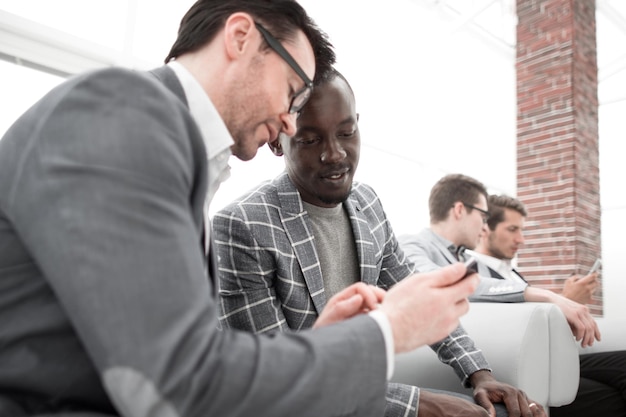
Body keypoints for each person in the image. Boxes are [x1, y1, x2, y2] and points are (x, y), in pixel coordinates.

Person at [0, 1, 482, 416]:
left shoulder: (169, 146)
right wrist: (388, 330)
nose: (292, 124)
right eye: (294, 93)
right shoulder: (123, 111)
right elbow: (181, 383)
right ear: (241, 37)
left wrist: (319, 341)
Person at [213, 69, 546, 417]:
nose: (335, 154)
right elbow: (279, 381)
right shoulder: (242, 227)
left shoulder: (367, 204)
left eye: (346, 133)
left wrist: (480, 375)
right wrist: (420, 405)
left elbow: (419, 293)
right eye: (310, 140)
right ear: (277, 140)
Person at [398, 173, 600, 348]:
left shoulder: (468, 259)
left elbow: (505, 305)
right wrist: (547, 296)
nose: (485, 227)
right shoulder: (412, 245)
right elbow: (431, 280)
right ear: (460, 210)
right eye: (483, 216)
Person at [470, 194, 626, 417]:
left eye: (522, 231)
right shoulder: (474, 274)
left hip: (550, 357)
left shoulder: (512, 274)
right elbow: (511, 325)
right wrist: (564, 298)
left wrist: (568, 302)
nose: (521, 239)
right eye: (512, 229)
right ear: (485, 228)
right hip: (523, 363)